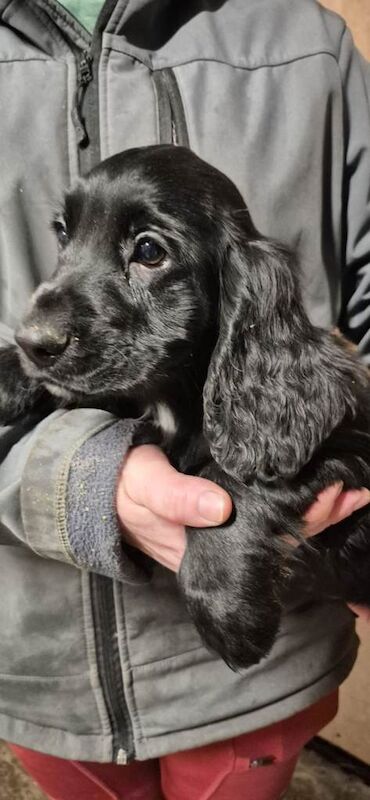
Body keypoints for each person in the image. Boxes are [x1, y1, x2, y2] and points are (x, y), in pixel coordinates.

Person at [0, 1, 370, 798]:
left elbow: (291, 418)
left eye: (146, 251)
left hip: (253, 686)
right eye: (71, 236)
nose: (40, 318)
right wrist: (77, 479)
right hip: (34, 662)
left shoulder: (305, 43)